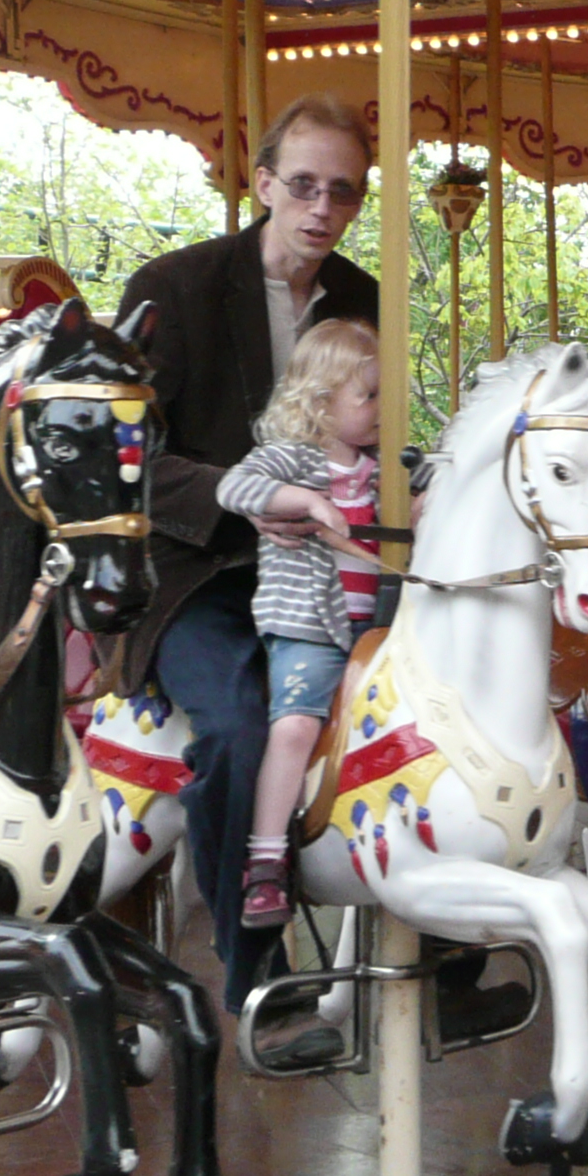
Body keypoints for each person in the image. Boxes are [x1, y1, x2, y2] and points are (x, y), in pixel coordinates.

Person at [116, 95, 379, 1016]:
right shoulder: (176, 288)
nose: (321, 208)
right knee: (235, 727)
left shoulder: (362, 299)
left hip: (327, 571)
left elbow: (380, 431)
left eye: (342, 192)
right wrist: (251, 496)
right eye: (302, 185)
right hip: (203, 571)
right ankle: (256, 968)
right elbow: (126, 460)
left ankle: (446, 943)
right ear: (263, 184)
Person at [216, 319, 383, 925]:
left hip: (378, 632)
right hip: (311, 629)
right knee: (294, 727)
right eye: (369, 396)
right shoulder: (290, 459)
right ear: (321, 401)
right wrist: (308, 501)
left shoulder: (383, 468)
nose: (382, 408)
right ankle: (265, 860)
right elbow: (235, 488)